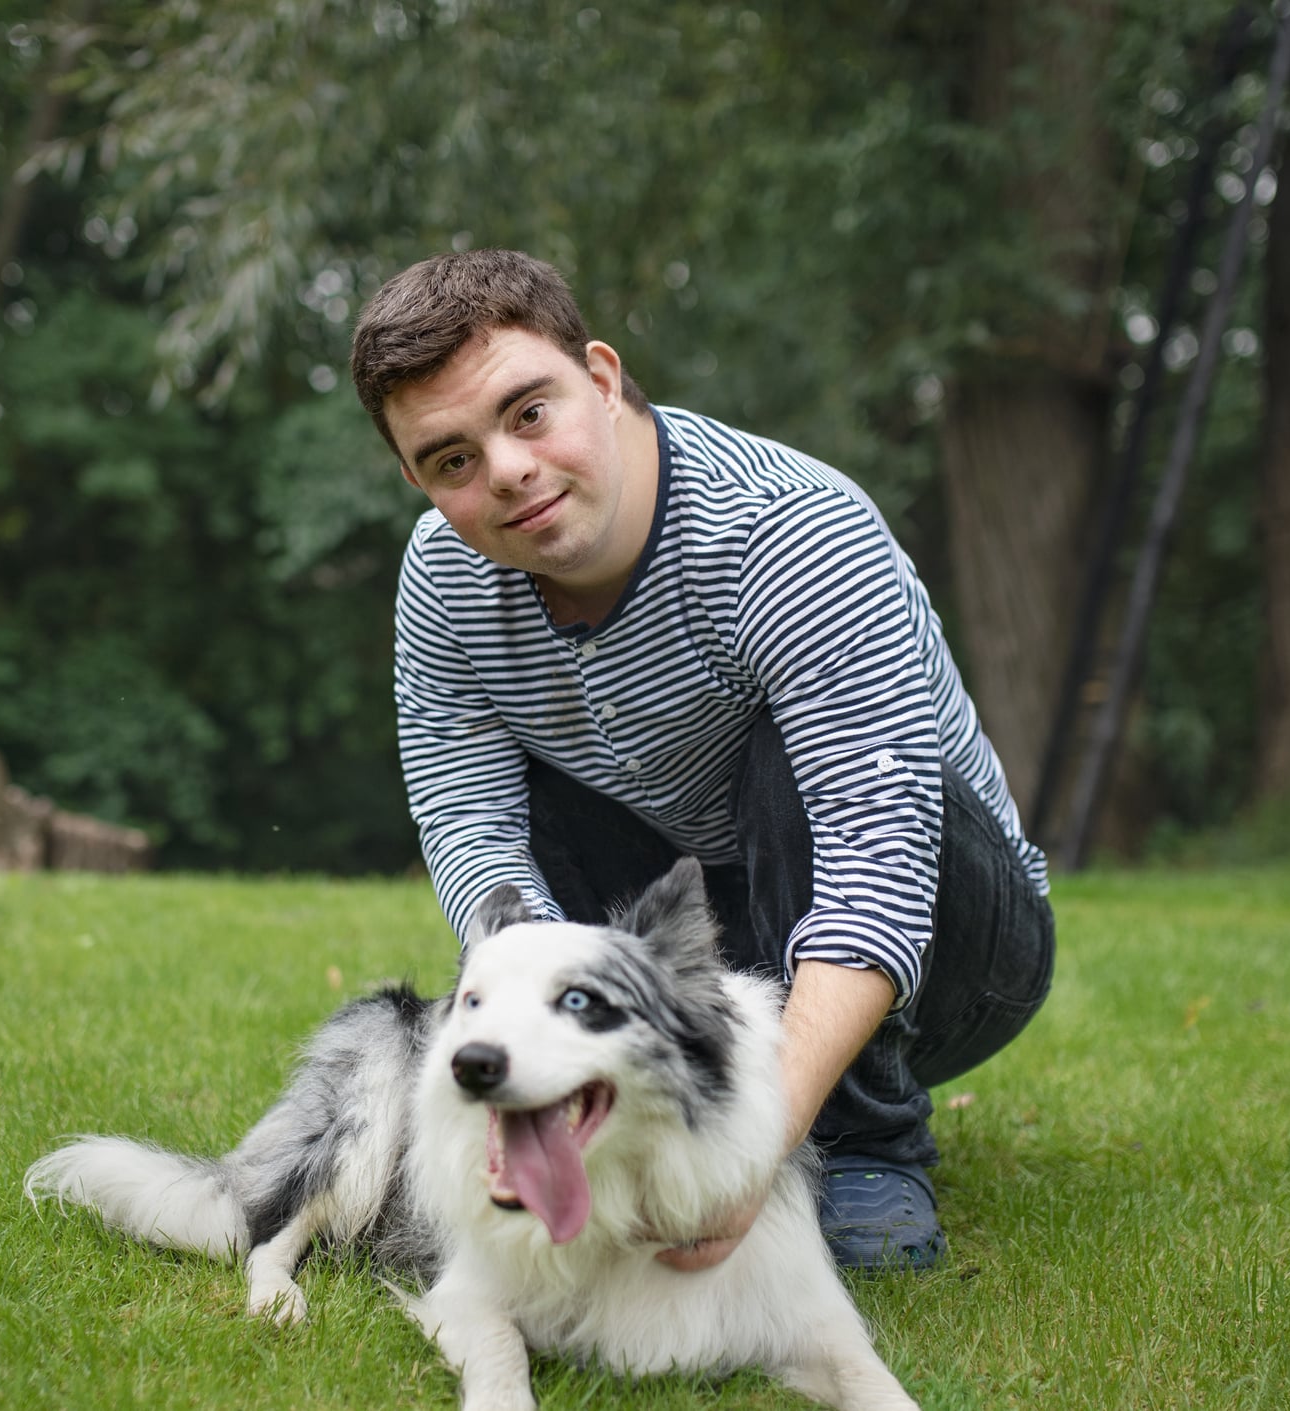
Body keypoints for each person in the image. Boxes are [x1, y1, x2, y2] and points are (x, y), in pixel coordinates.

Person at [351, 249, 1054, 1274]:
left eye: (528, 412)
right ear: (417, 479)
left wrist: (748, 1156)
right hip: (710, 932)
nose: (503, 470)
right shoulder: (444, 580)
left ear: (599, 375)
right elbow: (470, 823)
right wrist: (547, 1050)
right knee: (519, 809)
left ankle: (866, 1142)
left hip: (952, 948)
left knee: (781, 750)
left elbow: (876, 866)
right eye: (451, 459)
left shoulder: (787, 532)